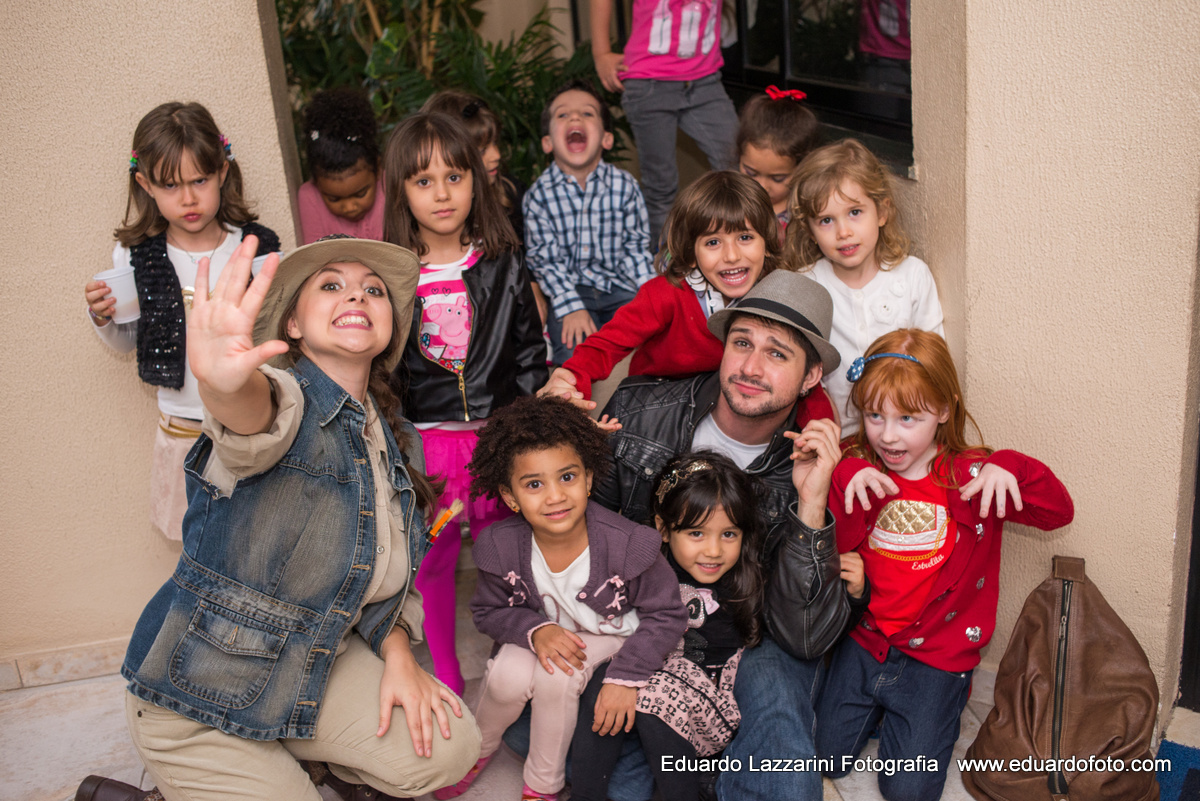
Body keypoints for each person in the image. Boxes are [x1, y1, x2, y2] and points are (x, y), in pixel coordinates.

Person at [77, 235, 481, 801]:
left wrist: (398, 656)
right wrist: (224, 385)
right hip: (198, 698)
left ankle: (294, 759)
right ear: (291, 325)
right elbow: (254, 424)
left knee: (451, 746)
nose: (357, 297)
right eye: (332, 285)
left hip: (311, 666)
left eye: (374, 291)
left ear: (392, 325)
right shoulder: (285, 401)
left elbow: (396, 578)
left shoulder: (401, 442)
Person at [590, 268, 866, 801]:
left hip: (751, 636)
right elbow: (584, 544)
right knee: (614, 780)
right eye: (742, 343)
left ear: (811, 377)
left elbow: (804, 637)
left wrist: (811, 503)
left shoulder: (807, 466)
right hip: (642, 623)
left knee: (788, 783)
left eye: (777, 354)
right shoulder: (638, 411)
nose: (750, 367)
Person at [816, 330, 1073, 800]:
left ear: (944, 410)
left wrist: (1011, 466)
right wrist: (848, 476)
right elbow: (841, 544)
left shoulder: (973, 477)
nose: (888, 434)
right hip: (866, 640)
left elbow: (1058, 513)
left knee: (908, 792)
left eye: (908, 418)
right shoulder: (859, 463)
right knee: (826, 755)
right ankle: (878, 709)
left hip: (935, 658)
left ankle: (926, 714)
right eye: (875, 415)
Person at [432, 396, 688, 801]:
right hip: (545, 632)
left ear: (588, 478)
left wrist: (626, 675)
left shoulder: (630, 545)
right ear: (511, 496)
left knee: (558, 679)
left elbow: (668, 616)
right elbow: (488, 610)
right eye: (534, 484)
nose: (554, 496)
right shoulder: (500, 545)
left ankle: (542, 784)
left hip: (612, 636)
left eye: (567, 477)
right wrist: (535, 631)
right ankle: (473, 751)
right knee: (505, 676)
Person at [382, 111, 547, 696]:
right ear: (401, 191)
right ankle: (448, 680)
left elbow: (530, 354)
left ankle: (514, 668)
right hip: (427, 446)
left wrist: (523, 434)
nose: (442, 193)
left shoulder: (503, 261)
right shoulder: (391, 276)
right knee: (436, 566)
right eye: (423, 181)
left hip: (496, 442)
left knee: (510, 560)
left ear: (477, 180)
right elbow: (383, 371)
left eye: (454, 176)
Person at [83, 101, 280, 541]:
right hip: (183, 434)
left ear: (222, 173)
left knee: (261, 545)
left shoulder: (254, 247)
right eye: (170, 185)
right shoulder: (137, 257)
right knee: (201, 550)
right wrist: (103, 317)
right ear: (145, 184)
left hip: (250, 429)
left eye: (199, 180)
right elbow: (127, 341)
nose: (188, 197)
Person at [572, 452, 766, 801]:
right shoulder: (648, 570)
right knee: (604, 679)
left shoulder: (746, 580)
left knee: (653, 693)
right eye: (696, 532)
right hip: (650, 676)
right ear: (662, 529)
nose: (713, 550)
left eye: (728, 534)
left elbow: (804, 613)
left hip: (708, 703)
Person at [540, 171, 815, 405]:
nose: (731, 255)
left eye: (745, 237)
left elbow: (801, 371)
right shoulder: (664, 294)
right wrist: (571, 379)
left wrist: (820, 422)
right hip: (654, 401)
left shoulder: (779, 294)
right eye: (713, 242)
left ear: (767, 243)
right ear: (691, 253)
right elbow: (605, 345)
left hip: (726, 405)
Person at [787, 138, 944, 435]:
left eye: (855, 212)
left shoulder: (912, 276)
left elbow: (933, 365)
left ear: (882, 212)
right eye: (826, 220)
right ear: (809, 229)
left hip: (905, 437)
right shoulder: (806, 285)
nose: (844, 232)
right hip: (838, 439)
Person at [522, 80, 655, 365]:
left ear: (607, 139)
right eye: (562, 115)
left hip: (619, 287)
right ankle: (571, 407)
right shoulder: (539, 195)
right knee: (574, 355)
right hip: (569, 288)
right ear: (547, 142)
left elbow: (635, 249)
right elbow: (544, 260)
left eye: (587, 113)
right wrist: (570, 306)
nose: (574, 118)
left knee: (648, 346)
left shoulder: (625, 186)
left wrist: (651, 295)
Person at [590, 0, 740, 243]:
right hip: (650, 84)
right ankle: (664, 270)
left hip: (705, 81)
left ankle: (738, 250)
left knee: (740, 168)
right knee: (661, 188)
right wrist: (601, 53)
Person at [421, 90, 528, 247]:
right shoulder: (434, 212)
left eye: (495, 142)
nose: (496, 155)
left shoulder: (512, 193)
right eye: (482, 151)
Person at [297, 87, 385, 243]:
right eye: (334, 199)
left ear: (377, 169)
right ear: (316, 182)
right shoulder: (309, 198)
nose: (350, 207)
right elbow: (316, 260)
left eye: (360, 194)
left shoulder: (391, 185)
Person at [736, 85, 822, 239]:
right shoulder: (728, 204)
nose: (762, 186)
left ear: (803, 169)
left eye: (777, 178)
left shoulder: (808, 215)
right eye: (750, 173)